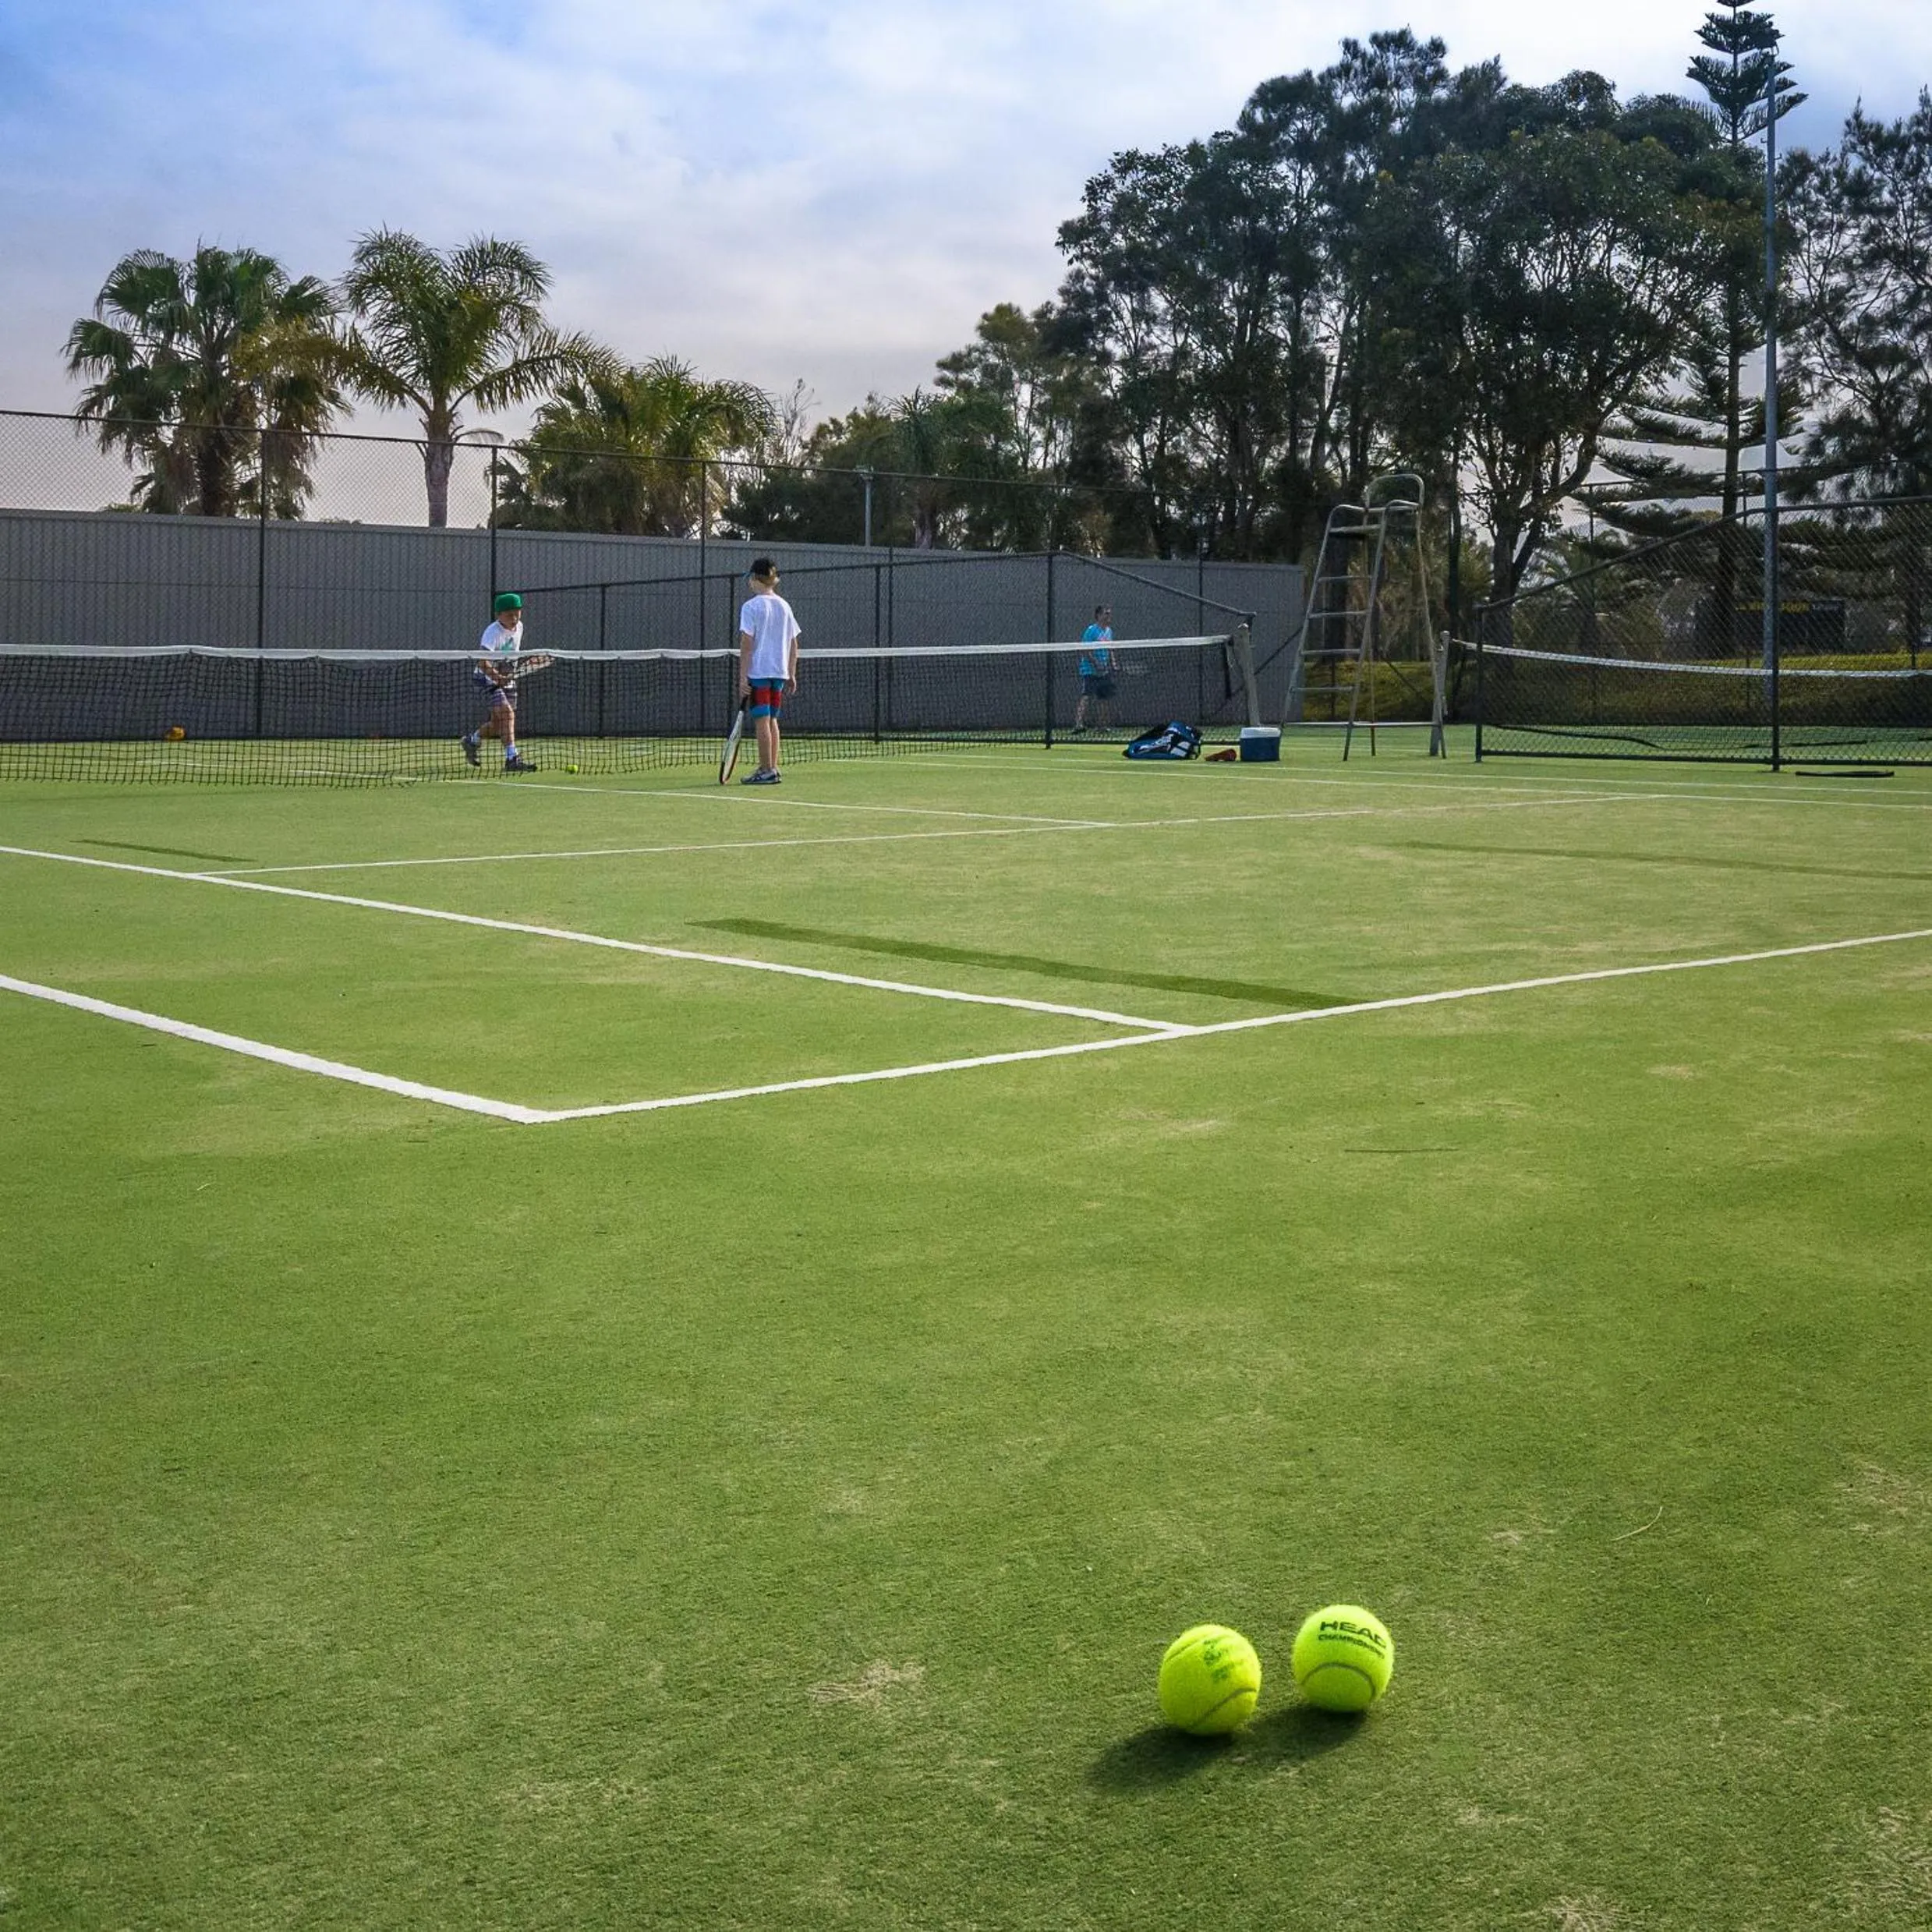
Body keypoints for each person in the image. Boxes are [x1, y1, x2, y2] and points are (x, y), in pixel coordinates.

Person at [737, 557, 801, 785]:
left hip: (760, 672)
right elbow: (794, 643)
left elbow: (746, 644)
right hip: (779, 673)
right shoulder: (785, 606)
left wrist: (743, 677)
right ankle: (771, 767)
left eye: (751, 580)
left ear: (755, 579)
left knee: (762, 721)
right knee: (772, 720)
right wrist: (791, 672)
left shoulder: (751, 607)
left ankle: (766, 770)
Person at [462, 591, 537, 773]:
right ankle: (512, 759)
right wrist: (498, 678)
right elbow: (482, 661)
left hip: (506, 677)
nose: (514, 617)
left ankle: (472, 740)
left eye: (517, 612)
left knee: (498, 724)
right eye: (509, 613)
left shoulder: (520, 627)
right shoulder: (492, 632)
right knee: (507, 714)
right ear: (499, 615)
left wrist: (506, 675)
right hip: (485, 678)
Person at [1074, 604, 1117, 734]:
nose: (1109, 616)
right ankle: (1078, 725)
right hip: (1089, 670)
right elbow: (1085, 650)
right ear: (1098, 616)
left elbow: (1110, 649)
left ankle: (1102, 726)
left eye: (1109, 613)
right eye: (1106, 613)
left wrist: (1113, 663)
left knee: (1103, 698)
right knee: (1086, 696)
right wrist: (1096, 663)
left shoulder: (1109, 631)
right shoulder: (1091, 630)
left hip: (1104, 671)